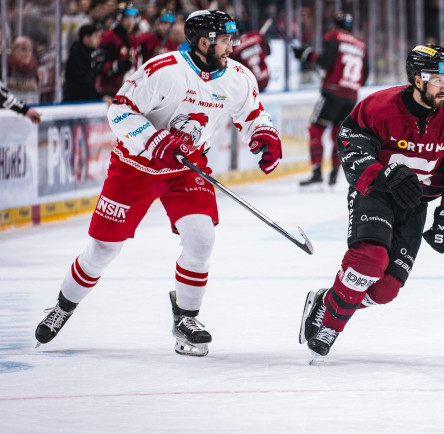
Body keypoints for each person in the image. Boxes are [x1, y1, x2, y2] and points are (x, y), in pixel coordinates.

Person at [34, 9, 283, 357]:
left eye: (231, 38)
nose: (231, 46)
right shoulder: (162, 70)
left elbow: (253, 113)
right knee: (103, 250)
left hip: (185, 169)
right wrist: (153, 140)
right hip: (135, 166)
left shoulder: (238, 77)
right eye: (224, 40)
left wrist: (265, 134)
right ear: (202, 42)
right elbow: (120, 110)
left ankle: (186, 319)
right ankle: (63, 305)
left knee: (201, 239)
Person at [298, 44, 444, 358]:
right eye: (438, 79)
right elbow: (351, 146)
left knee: (385, 291)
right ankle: (330, 327)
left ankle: (329, 301)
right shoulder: (379, 107)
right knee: (369, 261)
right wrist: (383, 175)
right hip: (375, 194)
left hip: (416, 205)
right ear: (418, 80)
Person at [293, 11, 369, 187]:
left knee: (316, 129)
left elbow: (325, 61)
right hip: (351, 97)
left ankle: (317, 172)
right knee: (338, 134)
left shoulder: (333, 36)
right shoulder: (361, 46)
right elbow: (364, 77)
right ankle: (334, 173)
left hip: (333, 93)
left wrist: (308, 55)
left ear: (335, 24)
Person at [96, 3, 139, 98]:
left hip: (126, 91)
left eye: (133, 18)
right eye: (127, 18)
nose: (131, 22)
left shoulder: (133, 39)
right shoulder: (108, 37)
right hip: (107, 91)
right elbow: (99, 65)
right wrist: (117, 66)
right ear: (119, 19)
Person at [63, 24, 110, 103]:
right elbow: (83, 82)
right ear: (86, 38)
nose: (99, 39)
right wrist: (99, 96)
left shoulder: (91, 54)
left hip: (84, 97)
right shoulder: (78, 54)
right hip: (75, 100)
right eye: (95, 36)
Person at [230, 28, 271, 92]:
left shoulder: (233, 48)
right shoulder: (258, 35)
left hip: (250, 85)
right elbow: (269, 52)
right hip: (265, 79)